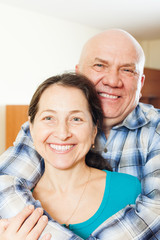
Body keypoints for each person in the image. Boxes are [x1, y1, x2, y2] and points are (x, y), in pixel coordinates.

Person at [0, 28, 160, 239]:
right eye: (100, 65)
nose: (112, 80)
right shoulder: (44, 130)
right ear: (79, 74)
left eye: (127, 70)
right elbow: (5, 185)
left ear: (140, 83)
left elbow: (154, 213)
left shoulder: (155, 130)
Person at [0, 73, 141, 239]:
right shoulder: (8, 201)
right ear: (31, 127)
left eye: (76, 119)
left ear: (94, 129)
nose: (62, 133)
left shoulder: (130, 191)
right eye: (49, 118)